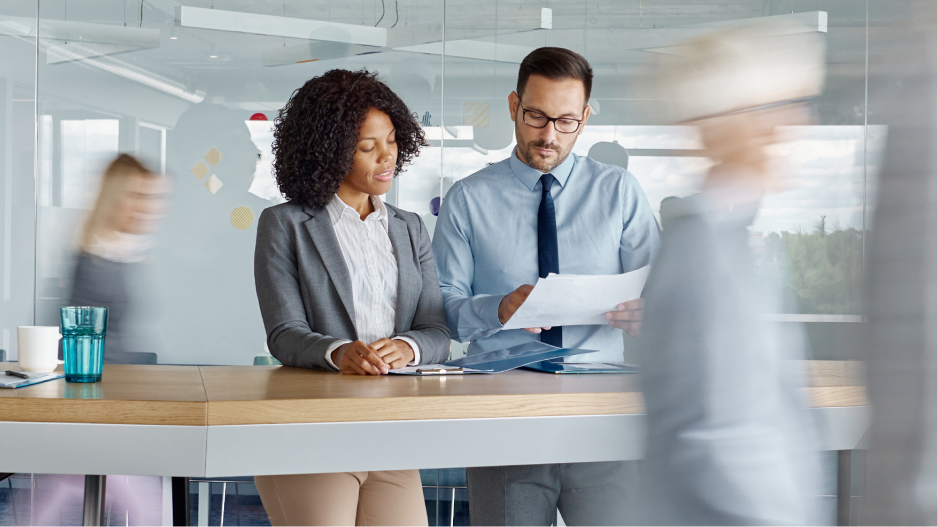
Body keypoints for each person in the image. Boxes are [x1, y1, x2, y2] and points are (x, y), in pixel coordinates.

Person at [432, 47, 660, 527]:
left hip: (603, 413)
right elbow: (440, 309)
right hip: (505, 413)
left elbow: (661, 297)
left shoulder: (620, 192)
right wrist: (498, 309)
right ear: (514, 106)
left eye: (566, 121)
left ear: (585, 118)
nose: (548, 135)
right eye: (536, 116)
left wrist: (651, 315)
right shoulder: (467, 200)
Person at [638, 23, 825, 526]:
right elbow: (712, 441)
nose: (794, 123)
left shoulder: (731, 241)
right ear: (726, 123)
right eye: (776, 108)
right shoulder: (701, 252)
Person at [252, 69, 450, 527]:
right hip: (310, 432)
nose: (387, 158)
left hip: (390, 434)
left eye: (392, 140)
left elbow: (438, 330)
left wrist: (410, 347)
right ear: (327, 151)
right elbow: (284, 334)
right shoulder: (284, 225)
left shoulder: (410, 227)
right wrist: (340, 353)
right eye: (367, 147)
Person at [70, 153, 169, 364]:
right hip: (103, 379)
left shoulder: (133, 253)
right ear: (113, 198)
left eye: (151, 197)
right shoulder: (97, 261)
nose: (145, 207)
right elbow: (85, 343)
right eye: (135, 195)